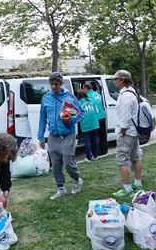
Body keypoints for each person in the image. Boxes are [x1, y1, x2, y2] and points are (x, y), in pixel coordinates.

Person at [37, 72, 84, 200]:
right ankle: (61, 188)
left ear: (61, 84)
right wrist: (40, 136)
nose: (53, 87)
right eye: (51, 84)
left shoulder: (69, 97)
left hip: (68, 134)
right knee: (56, 163)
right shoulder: (46, 98)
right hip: (53, 136)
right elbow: (42, 118)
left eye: (56, 84)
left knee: (68, 162)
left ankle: (76, 180)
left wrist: (70, 120)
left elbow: (81, 113)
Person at [111, 70, 144, 198]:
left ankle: (126, 188)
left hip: (127, 133)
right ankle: (137, 183)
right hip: (134, 132)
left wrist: (122, 132)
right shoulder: (132, 92)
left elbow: (125, 118)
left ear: (122, 80)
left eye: (116, 79)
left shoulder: (125, 96)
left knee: (122, 159)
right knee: (135, 156)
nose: (115, 81)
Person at [84, 83, 107, 156]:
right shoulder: (98, 95)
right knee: (103, 135)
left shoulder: (88, 96)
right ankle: (104, 151)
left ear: (86, 88)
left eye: (83, 89)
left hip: (96, 118)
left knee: (95, 136)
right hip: (103, 116)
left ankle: (97, 152)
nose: (83, 90)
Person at [76, 89, 99, 162]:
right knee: (94, 140)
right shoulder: (91, 100)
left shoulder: (78, 103)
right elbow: (97, 111)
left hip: (85, 124)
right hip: (94, 122)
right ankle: (96, 155)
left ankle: (89, 157)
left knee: (87, 141)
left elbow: (77, 114)